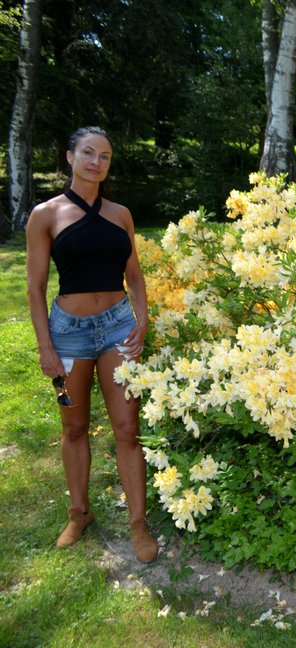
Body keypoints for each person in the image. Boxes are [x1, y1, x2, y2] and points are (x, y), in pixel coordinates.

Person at [25, 126, 158, 563]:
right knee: (74, 427)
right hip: (68, 334)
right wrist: (46, 348)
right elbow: (35, 286)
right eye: (88, 153)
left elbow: (134, 274)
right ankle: (78, 513)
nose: (96, 162)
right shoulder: (46, 214)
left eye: (104, 156)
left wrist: (143, 318)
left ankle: (138, 523)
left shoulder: (120, 214)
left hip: (118, 328)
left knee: (127, 430)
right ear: (69, 157)